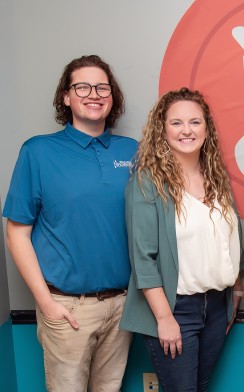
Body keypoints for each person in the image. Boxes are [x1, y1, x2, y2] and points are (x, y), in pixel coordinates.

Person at [3, 55, 137, 391]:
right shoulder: (38, 152)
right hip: (67, 309)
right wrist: (46, 303)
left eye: (102, 87)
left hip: (122, 307)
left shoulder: (133, 151)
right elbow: (17, 233)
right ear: (66, 96)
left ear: (113, 96)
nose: (94, 94)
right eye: (82, 86)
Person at [119, 87, 244, 392]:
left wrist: (237, 294)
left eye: (195, 122)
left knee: (200, 388)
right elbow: (143, 258)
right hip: (175, 309)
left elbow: (232, 239)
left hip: (217, 306)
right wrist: (164, 318)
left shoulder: (217, 178)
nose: (186, 130)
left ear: (206, 129)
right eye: (176, 123)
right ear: (162, 130)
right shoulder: (147, 183)